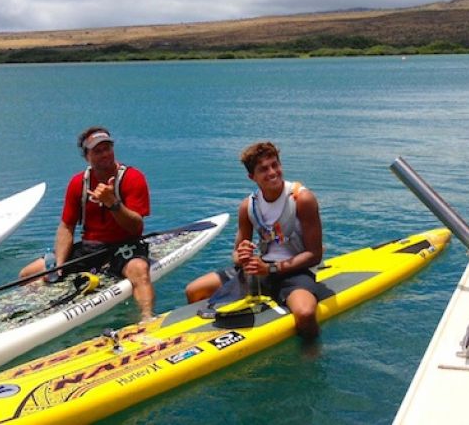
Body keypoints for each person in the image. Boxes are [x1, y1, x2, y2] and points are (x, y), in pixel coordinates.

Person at [185, 141, 324, 339]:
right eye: (264, 169)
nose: (272, 172)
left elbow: (314, 255)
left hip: (294, 271)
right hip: (260, 269)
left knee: (305, 313)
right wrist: (242, 255)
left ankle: (311, 354)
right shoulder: (248, 207)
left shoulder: (301, 199)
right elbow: (236, 254)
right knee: (194, 290)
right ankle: (206, 338)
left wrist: (271, 269)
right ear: (252, 177)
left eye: (275, 165)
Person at [19, 126, 154, 321]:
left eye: (107, 148)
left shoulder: (133, 178)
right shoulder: (78, 183)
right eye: (97, 151)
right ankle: (30, 314)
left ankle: (147, 319)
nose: (105, 154)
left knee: (139, 270)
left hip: (124, 246)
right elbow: (67, 227)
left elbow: (136, 227)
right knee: (28, 273)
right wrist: (59, 266)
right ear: (86, 156)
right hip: (90, 248)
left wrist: (113, 204)